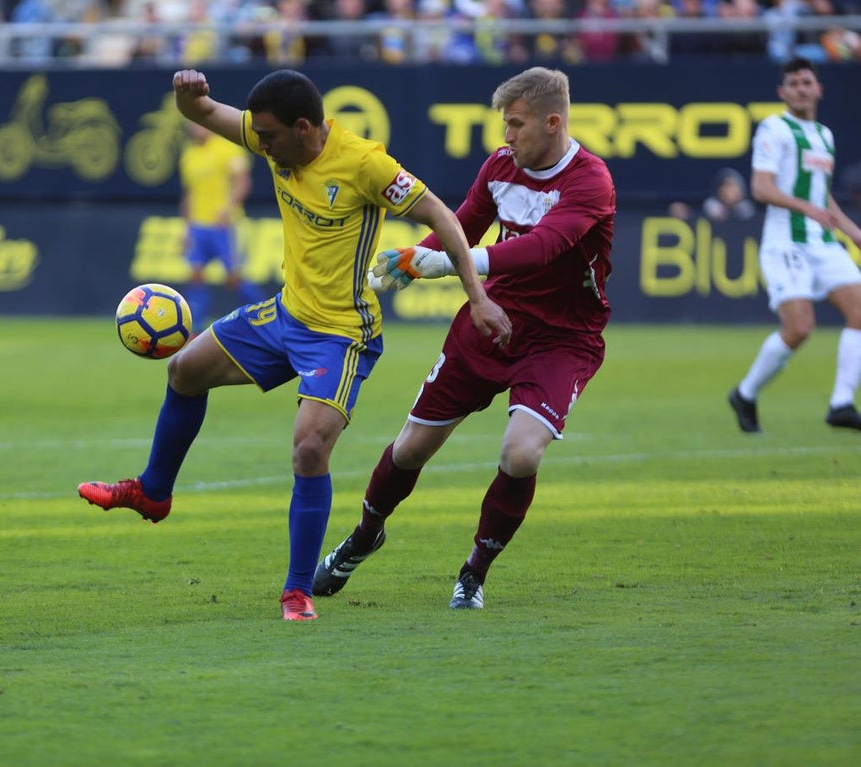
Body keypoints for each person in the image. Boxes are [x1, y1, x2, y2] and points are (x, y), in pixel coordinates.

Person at [78, 68, 512, 622]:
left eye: (270, 137)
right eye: (257, 135)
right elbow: (204, 114)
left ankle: (297, 590)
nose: (261, 146)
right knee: (184, 370)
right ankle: (153, 492)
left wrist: (476, 295)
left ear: (304, 127)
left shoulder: (365, 164)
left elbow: (441, 216)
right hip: (285, 315)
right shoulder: (270, 137)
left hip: (341, 335)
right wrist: (188, 99)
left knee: (309, 450)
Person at [312, 66, 616, 611]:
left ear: (553, 123)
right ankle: (365, 534)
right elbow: (466, 222)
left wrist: (451, 265)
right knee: (410, 449)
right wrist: (415, 255)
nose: (507, 136)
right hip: (489, 322)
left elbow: (545, 246)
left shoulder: (589, 181)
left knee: (521, 454)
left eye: (517, 125)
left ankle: (473, 573)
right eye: (504, 124)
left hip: (561, 339)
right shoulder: (501, 166)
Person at [728, 56, 861, 433]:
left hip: (823, 242)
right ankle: (745, 393)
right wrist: (806, 207)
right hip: (786, 243)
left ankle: (841, 403)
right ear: (782, 92)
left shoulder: (825, 135)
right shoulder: (775, 128)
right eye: (794, 84)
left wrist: (851, 229)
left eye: (807, 82)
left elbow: (822, 195)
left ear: (818, 89)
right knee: (800, 328)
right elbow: (761, 187)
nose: (801, 89)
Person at [178, 119, 262, 334]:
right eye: (194, 125)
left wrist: (229, 207)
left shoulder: (227, 149)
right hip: (198, 226)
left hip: (224, 226)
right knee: (195, 276)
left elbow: (243, 183)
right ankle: (194, 330)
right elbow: (189, 194)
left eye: (200, 124)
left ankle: (264, 316)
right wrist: (185, 228)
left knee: (234, 279)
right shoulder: (189, 155)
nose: (197, 128)